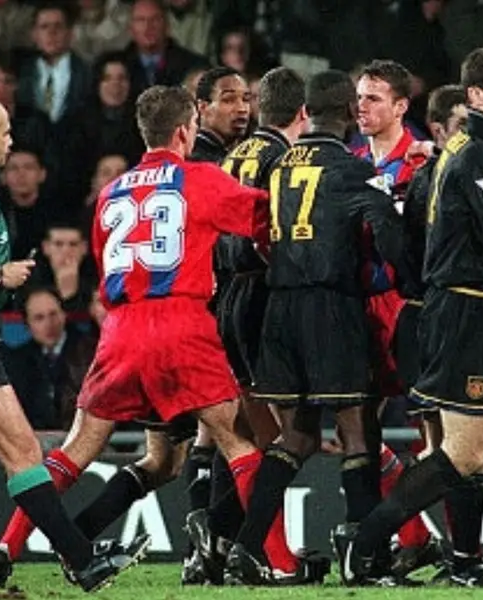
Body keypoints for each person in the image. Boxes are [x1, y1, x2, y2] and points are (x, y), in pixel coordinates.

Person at [339, 47, 483, 588]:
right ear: (475, 96)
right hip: (464, 310)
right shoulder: (477, 156)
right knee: (463, 453)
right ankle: (363, 544)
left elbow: (428, 219)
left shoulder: (461, 152)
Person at [78, 84, 300, 586]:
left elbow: (102, 266)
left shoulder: (112, 190)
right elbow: (266, 215)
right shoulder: (197, 177)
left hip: (121, 330)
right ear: (186, 129)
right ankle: (273, 559)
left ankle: (42, 538)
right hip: (183, 323)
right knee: (234, 437)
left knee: (131, 455)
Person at [225, 70, 408, 586]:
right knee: (357, 431)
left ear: (308, 110)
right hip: (330, 306)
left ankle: (245, 548)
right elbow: (390, 239)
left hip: (279, 307)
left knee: (296, 436)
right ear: (350, 112)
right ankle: (364, 556)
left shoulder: (278, 162)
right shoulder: (352, 169)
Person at [0, 95, 143, 593]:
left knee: (17, 450)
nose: (10, 141)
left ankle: (75, 555)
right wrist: (0, 273)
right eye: (4, 133)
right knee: (23, 449)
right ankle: (82, 559)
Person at [183, 65, 309, 585]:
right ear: (199, 109)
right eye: (228, 99)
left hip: (221, 299)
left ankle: (213, 546)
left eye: (246, 99)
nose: (240, 108)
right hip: (250, 296)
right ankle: (241, 543)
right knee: (279, 432)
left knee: (217, 433)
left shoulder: (229, 157)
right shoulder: (264, 157)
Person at [395, 84, 483, 586]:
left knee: (458, 449)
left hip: (441, 314)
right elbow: (411, 252)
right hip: (434, 317)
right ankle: (388, 540)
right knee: (449, 448)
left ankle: (462, 556)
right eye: (460, 124)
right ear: (438, 129)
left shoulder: (436, 173)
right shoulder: (433, 179)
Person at [352, 58, 441, 576]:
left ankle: (461, 548)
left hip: (409, 307)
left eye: (374, 98)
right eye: (359, 98)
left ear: (401, 106)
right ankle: (409, 535)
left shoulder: (424, 160)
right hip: (361, 308)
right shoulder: (351, 159)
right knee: (357, 429)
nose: (362, 107)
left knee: (434, 432)